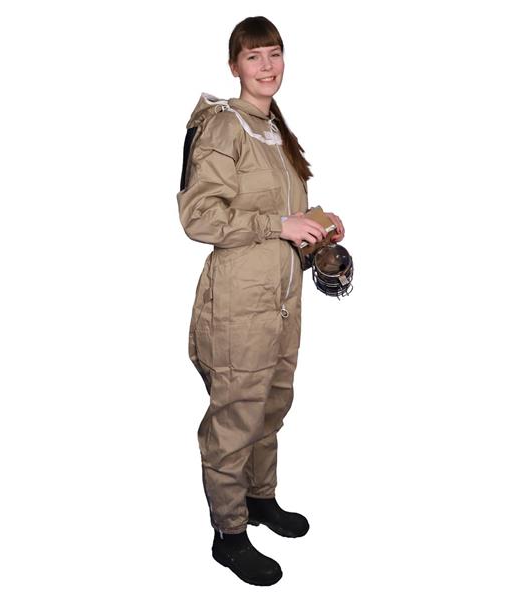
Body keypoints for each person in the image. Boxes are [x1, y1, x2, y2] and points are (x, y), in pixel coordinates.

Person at [176, 16, 346, 586]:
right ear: (235, 66)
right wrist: (279, 224)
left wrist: (317, 229)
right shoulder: (224, 127)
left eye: (274, 54)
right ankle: (229, 534)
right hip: (238, 302)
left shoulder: (273, 128)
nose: (267, 66)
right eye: (254, 57)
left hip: (282, 299)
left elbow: (282, 216)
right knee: (236, 416)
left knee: (271, 405)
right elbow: (200, 218)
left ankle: (258, 498)